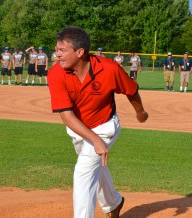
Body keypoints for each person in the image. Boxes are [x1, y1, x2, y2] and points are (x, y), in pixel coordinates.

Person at [48, 26, 148, 218]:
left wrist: (140, 112)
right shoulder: (56, 74)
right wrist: (94, 140)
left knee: (83, 173)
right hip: (80, 130)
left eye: (62, 50)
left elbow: (131, 90)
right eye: (57, 49)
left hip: (105, 127)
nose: (57, 54)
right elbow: (66, 115)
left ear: (80, 52)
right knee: (95, 167)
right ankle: (114, 203)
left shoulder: (109, 68)